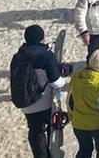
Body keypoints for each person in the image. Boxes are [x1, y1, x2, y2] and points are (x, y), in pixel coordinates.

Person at [11, 25, 72, 158]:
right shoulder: (46, 56)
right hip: (45, 102)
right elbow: (56, 82)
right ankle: (52, 154)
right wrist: (63, 79)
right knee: (52, 129)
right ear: (41, 39)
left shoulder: (18, 56)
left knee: (35, 131)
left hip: (26, 102)